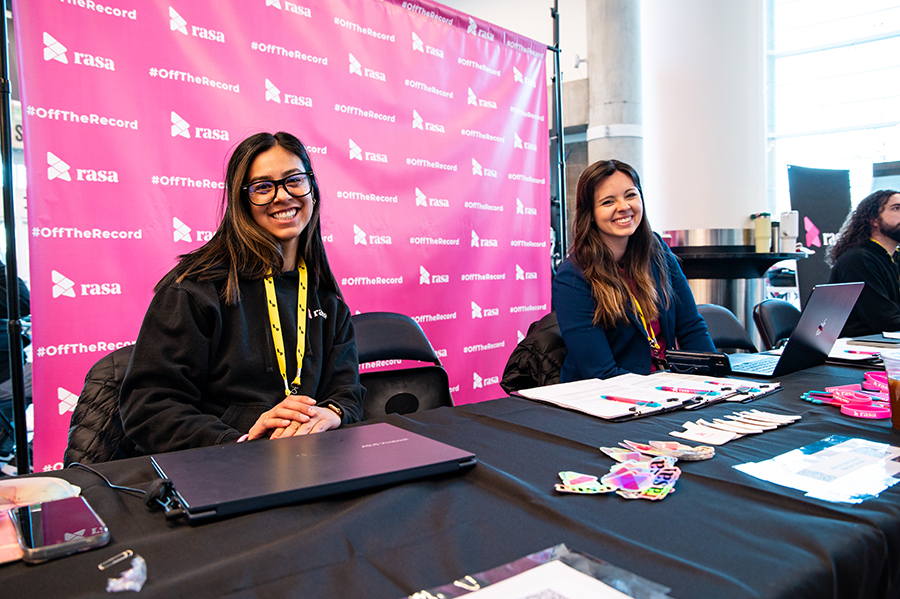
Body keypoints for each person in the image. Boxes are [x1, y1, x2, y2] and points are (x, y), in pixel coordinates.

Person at [119, 132, 365, 454]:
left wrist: (331, 414)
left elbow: (348, 392)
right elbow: (149, 406)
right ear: (241, 202)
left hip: (310, 466)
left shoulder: (328, 302)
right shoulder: (195, 290)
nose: (282, 196)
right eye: (263, 187)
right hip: (223, 471)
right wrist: (239, 442)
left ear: (312, 191)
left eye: (294, 180)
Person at [552, 159, 715, 381]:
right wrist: (665, 389)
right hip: (606, 399)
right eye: (608, 201)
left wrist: (712, 381)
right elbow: (601, 374)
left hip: (664, 388)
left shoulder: (657, 251)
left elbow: (691, 327)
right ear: (590, 213)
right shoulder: (572, 277)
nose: (624, 206)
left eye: (630, 195)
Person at [827, 189, 900, 337]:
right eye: (896, 208)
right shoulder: (859, 260)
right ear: (873, 219)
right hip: (855, 350)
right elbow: (885, 320)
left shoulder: (895, 257)